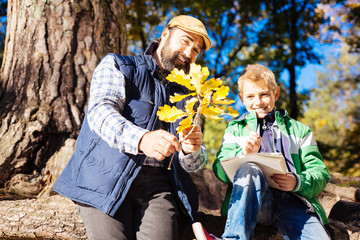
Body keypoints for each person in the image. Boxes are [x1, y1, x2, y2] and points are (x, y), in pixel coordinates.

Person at [53, 15, 211, 240]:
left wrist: (191, 150)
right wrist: (142, 139)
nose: (189, 53)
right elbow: (99, 112)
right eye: (185, 41)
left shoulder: (189, 95)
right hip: (104, 176)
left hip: (158, 188)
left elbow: (195, 165)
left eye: (196, 50)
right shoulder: (118, 65)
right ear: (165, 34)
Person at [193, 64, 330, 240]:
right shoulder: (235, 129)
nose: (257, 102)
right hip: (256, 201)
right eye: (250, 96)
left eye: (264, 94)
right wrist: (243, 154)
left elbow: (320, 173)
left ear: (276, 93)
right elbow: (220, 170)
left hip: (294, 203)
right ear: (242, 98)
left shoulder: (300, 131)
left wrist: (297, 181)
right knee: (250, 168)